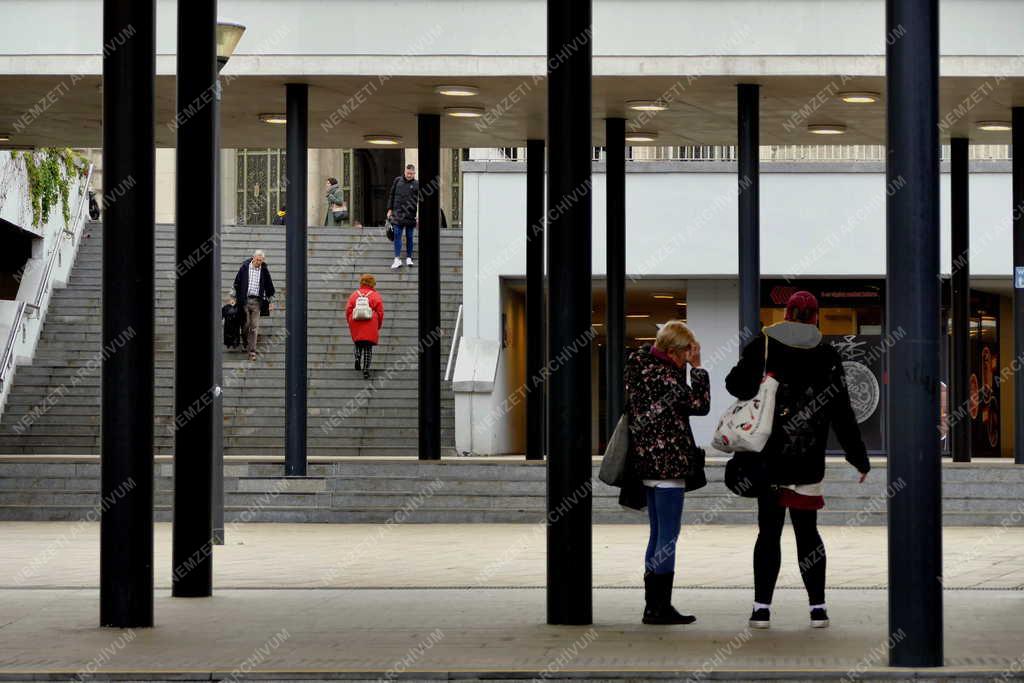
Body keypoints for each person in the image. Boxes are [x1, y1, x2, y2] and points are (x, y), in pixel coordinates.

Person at [724, 290, 870, 630]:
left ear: (787, 314)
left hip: (768, 460)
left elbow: (735, 385)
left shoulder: (763, 345)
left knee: (769, 532)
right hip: (807, 462)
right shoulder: (827, 355)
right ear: (816, 317)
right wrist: (858, 458)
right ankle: (817, 608)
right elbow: (842, 413)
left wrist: (761, 378)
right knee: (808, 535)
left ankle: (761, 609)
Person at [624, 319, 709, 625]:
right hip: (669, 465)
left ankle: (652, 605)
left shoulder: (638, 369)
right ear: (675, 350)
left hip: (646, 463)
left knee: (657, 533)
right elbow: (700, 405)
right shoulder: (668, 378)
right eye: (688, 350)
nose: (690, 355)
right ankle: (660, 607)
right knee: (669, 537)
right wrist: (697, 369)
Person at [231, 249, 275, 361]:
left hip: (257, 302)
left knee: (254, 327)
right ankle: (245, 340)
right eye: (257, 260)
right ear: (253, 258)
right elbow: (237, 283)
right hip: (244, 301)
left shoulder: (264, 270)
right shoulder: (245, 267)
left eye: (261, 260)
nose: (258, 262)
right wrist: (232, 297)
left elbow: (269, 286)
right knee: (245, 324)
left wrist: (271, 302)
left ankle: (252, 352)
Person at [345, 274, 384, 380]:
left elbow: (348, 309)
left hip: (356, 321)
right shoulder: (375, 296)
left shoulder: (354, 294)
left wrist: (350, 321)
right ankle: (366, 369)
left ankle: (357, 358)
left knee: (358, 343)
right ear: (372, 283)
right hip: (370, 322)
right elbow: (380, 312)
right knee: (368, 347)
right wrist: (378, 324)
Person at [386, 164, 418, 269]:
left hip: (410, 214)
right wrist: (389, 209)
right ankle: (397, 259)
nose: (409, 175)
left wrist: (418, 216)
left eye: (411, 174)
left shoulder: (417, 184)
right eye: (407, 173)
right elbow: (392, 194)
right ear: (405, 171)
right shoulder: (397, 180)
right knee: (397, 236)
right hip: (397, 214)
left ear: (414, 173)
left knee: (409, 237)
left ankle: (409, 258)